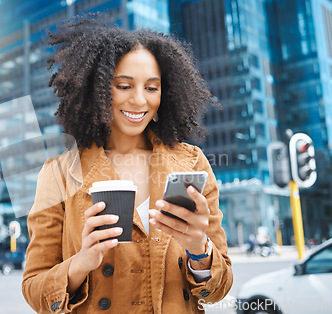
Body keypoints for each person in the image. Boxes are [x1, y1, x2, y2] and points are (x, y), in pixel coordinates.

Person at [22, 15, 233, 313]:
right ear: (97, 91)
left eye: (151, 88)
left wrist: (200, 249)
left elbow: (218, 291)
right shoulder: (60, 172)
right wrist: (80, 263)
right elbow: (34, 288)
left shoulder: (193, 164)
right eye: (123, 86)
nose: (138, 100)